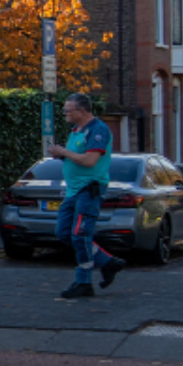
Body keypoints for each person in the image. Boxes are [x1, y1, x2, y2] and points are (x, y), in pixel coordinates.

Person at [49, 92, 126, 299]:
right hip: (73, 190)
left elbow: (90, 160)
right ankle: (107, 262)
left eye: (68, 110)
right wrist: (62, 155)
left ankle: (83, 282)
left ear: (82, 111)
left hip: (88, 190)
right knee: (64, 232)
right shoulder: (76, 130)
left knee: (80, 235)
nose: (65, 113)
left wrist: (64, 152)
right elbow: (76, 158)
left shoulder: (98, 130)